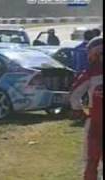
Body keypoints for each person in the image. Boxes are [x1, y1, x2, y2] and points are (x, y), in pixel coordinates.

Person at [69, 37, 103, 180]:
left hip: (96, 122)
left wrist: (79, 110)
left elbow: (74, 95)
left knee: (91, 160)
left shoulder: (90, 73)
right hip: (96, 121)